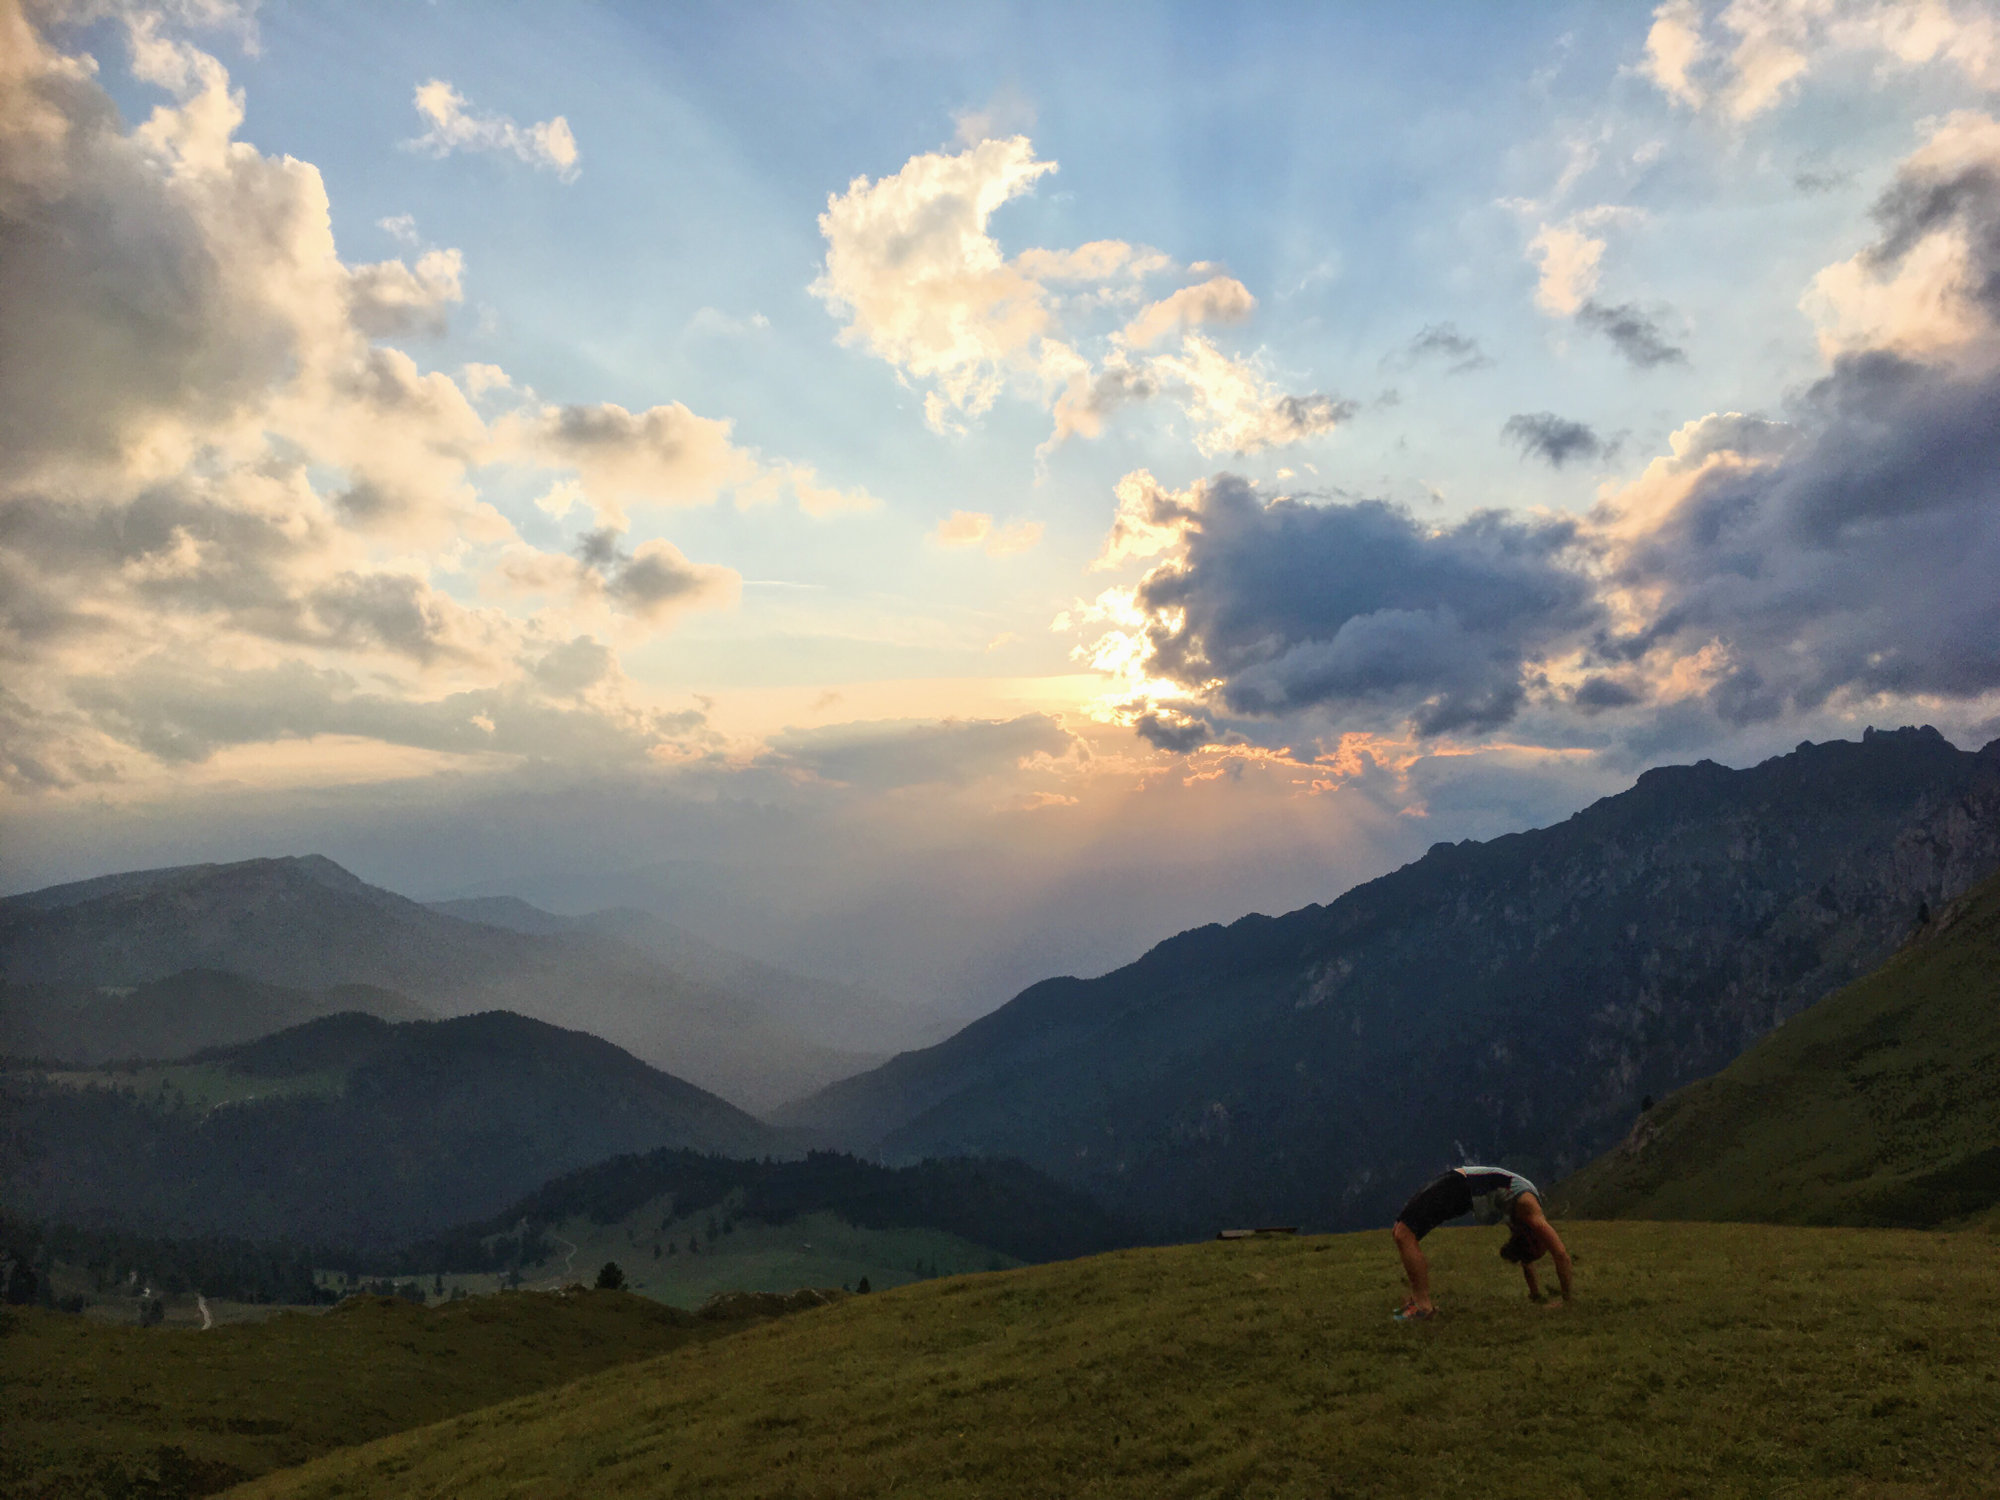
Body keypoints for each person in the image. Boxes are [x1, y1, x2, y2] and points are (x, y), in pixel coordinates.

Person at [1390, 1164, 1572, 1319]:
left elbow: (1526, 1256)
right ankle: (1419, 1304)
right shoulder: (1531, 1212)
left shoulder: (1526, 1221)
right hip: (1461, 1184)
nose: (1545, 1244)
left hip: (1461, 1186)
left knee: (1403, 1233)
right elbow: (1561, 1255)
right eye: (1541, 1245)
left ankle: (1422, 1306)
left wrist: (1535, 1294)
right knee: (1401, 1231)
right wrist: (1566, 1301)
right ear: (1535, 1239)